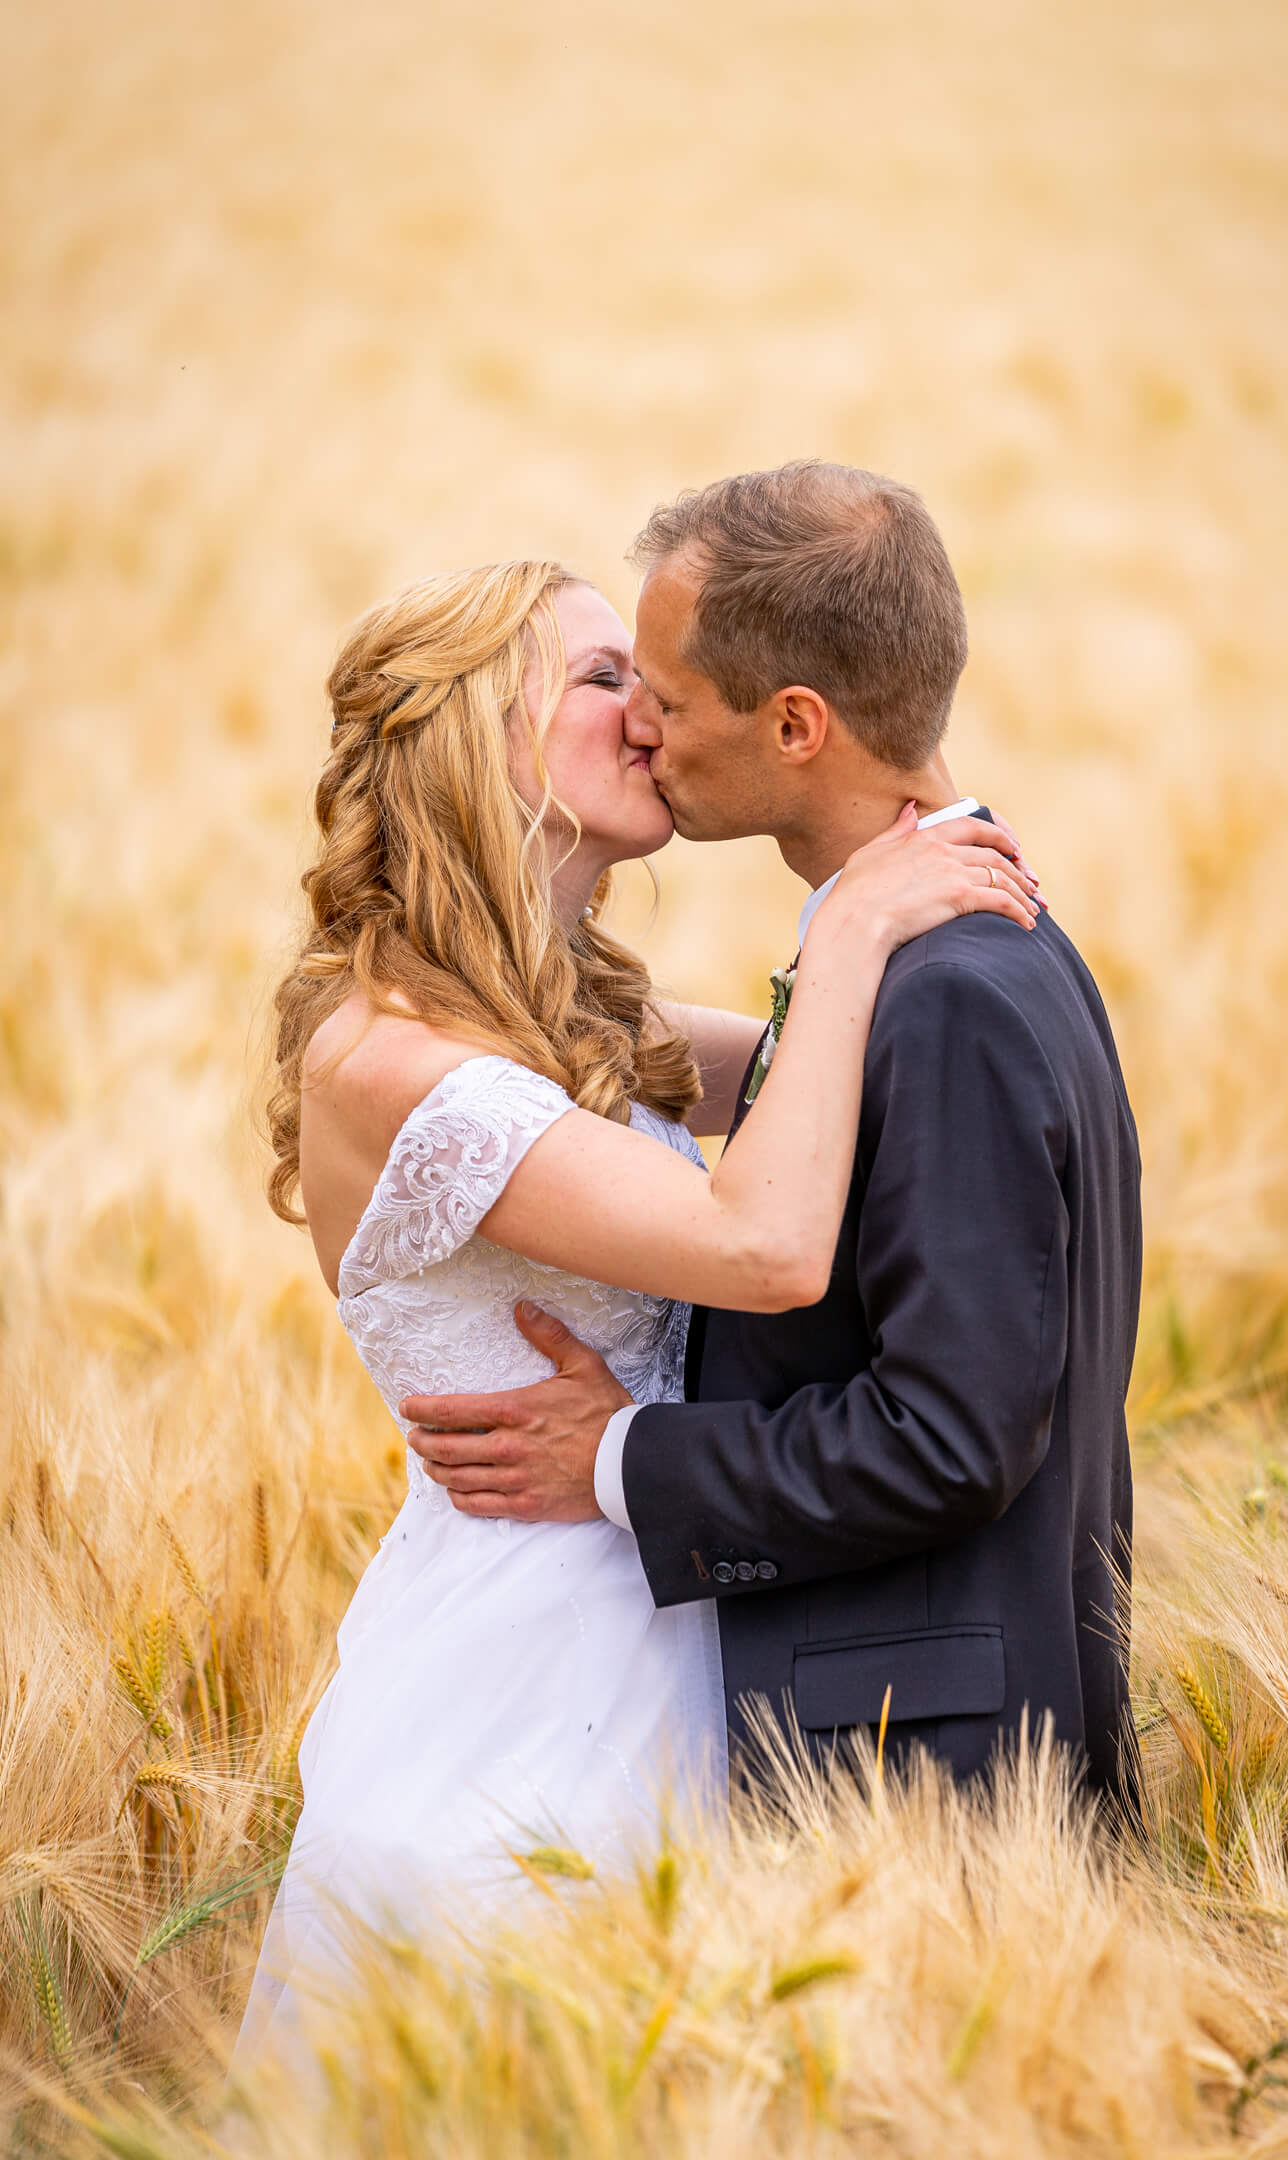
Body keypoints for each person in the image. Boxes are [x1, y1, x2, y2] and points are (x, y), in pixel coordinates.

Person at [236, 551, 1038, 2061]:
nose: (655, 718)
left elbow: (837, 1074)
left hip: (688, 1618)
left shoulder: (576, 1015)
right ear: (479, 731)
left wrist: (897, 830)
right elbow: (767, 1247)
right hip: (518, 1685)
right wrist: (858, 922)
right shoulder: (391, 1061)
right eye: (608, 681)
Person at [407, 462, 1144, 1810]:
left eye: (672, 702)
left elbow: (951, 1438)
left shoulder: (955, 996)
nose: (646, 733)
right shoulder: (955, 952)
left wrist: (616, 1458)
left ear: (796, 725)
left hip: (931, 1778)